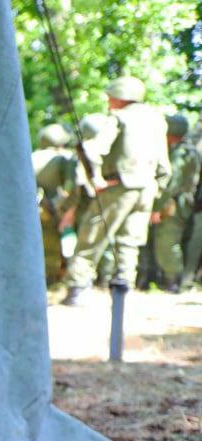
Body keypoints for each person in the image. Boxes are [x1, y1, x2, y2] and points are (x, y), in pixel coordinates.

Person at [59, 76, 171, 307]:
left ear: (119, 97)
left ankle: (76, 289)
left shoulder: (119, 118)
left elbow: (93, 150)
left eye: (110, 97)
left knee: (91, 238)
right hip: (146, 189)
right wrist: (156, 190)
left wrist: (97, 179)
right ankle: (123, 289)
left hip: (118, 187)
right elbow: (164, 167)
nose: (109, 101)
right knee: (130, 242)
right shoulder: (157, 121)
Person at [151, 113, 202, 292]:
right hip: (182, 203)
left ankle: (172, 281)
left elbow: (171, 184)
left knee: (167, 241)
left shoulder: (180, 153)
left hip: (173, 204)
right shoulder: (188, 150)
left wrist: (157, 208)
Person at [34, 123, 75, 286]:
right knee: (55, 246)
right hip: (58, 208)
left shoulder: (32, 156)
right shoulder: (64, 158)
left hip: (37, 207)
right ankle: (52, 280)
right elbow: (70, 185)